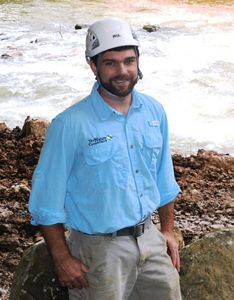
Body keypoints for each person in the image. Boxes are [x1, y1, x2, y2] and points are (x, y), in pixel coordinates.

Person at [29, 17, 182, 300]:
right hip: (98, 250)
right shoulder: (69, 125)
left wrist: (168, 230)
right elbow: (46, 201)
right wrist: (62, 257)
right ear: (93, 66)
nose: (122, 70)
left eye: (129, 61)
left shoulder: (154, 112)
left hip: (150, 239)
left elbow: (164, 178)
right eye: (110, 63)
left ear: (138, 62)